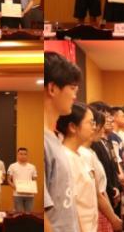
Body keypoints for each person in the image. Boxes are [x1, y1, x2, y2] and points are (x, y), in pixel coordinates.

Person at [58, 103, 122, 232]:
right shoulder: (64, 158)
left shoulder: (83, 155)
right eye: (90, 123)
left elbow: (96, 193)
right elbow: (71, 206)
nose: (94, 127)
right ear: (73, 127)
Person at [45, 51, 82, 231]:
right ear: (52, 88)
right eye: (72, 88)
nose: (75, 96)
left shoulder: (53, 138)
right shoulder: (44, 142)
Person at [9, 147, 39, 213]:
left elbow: (34, 180)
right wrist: (14, 187)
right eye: (21, 154)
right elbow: (8, 180)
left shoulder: (32, 167)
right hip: (17, 194)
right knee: (19, 214)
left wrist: (33, 188)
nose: (23, 156)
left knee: (29, 214)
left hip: (30, 195)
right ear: (17, 155)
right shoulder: (12, 166)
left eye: (25, 154)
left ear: (27, 155)